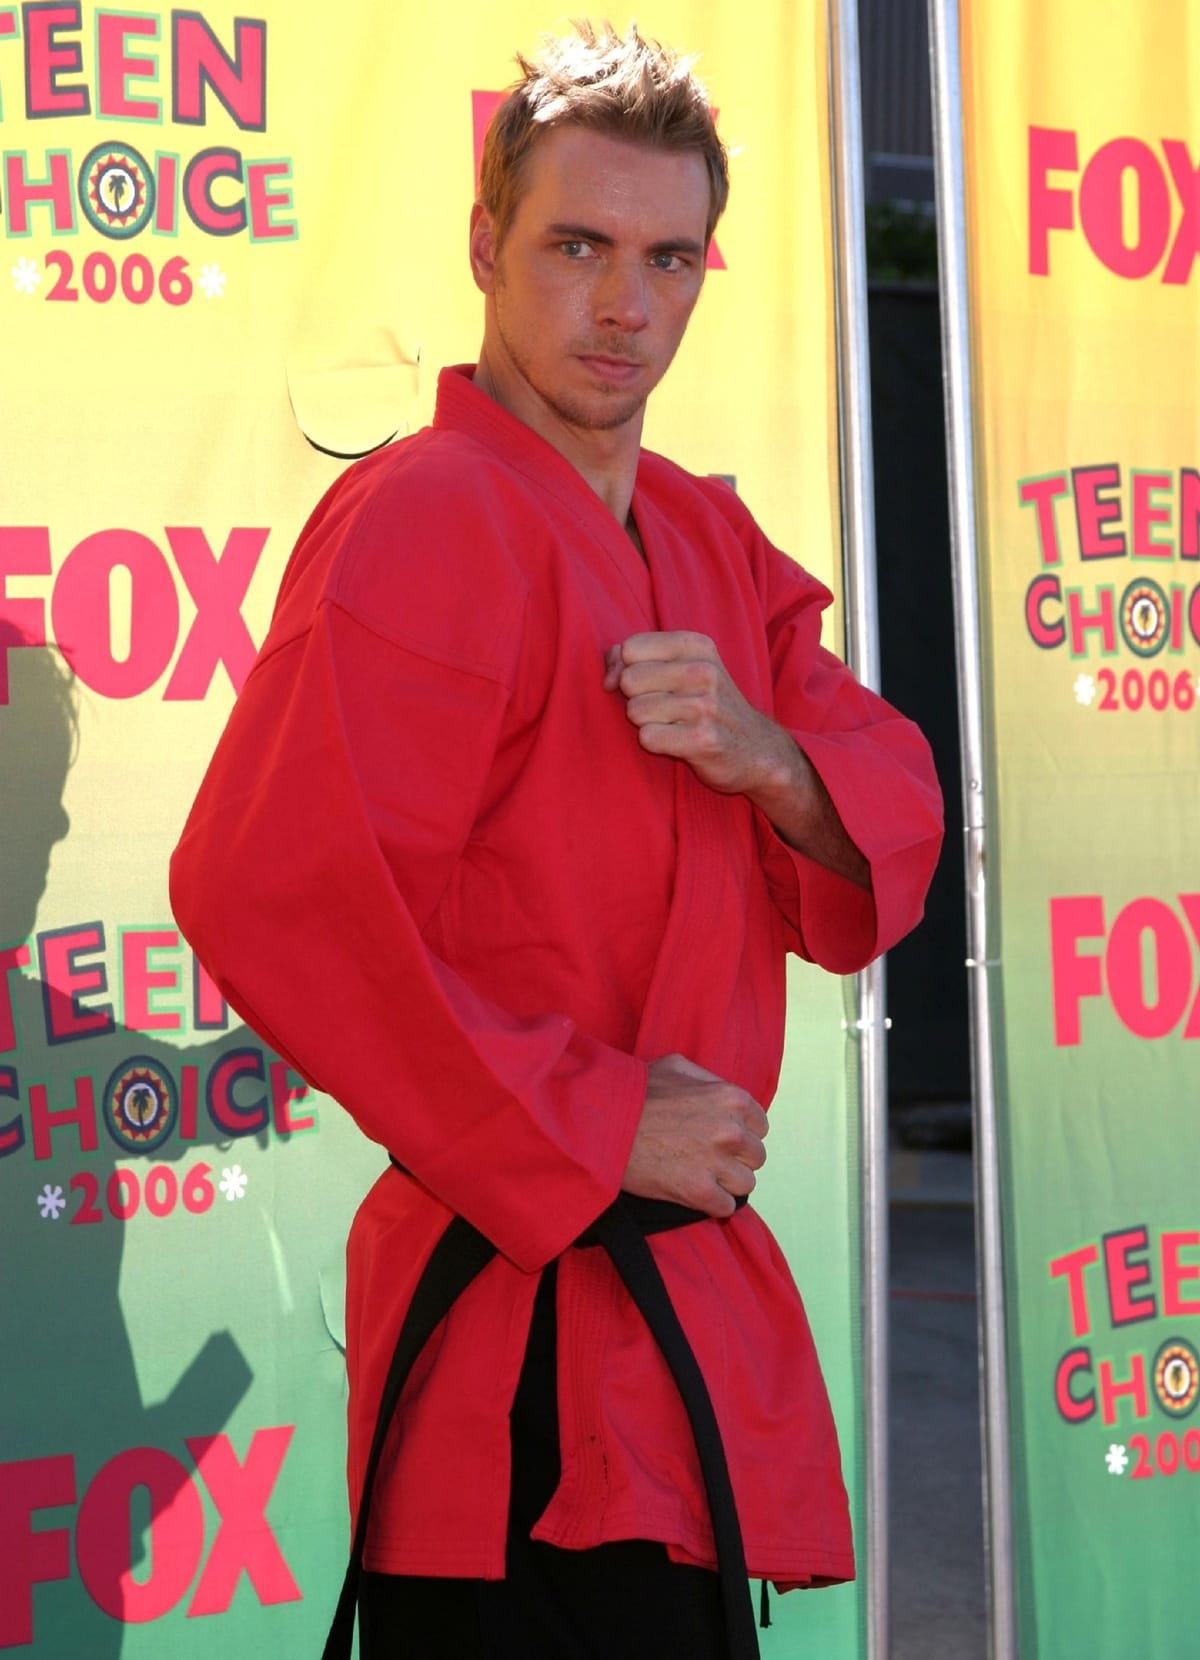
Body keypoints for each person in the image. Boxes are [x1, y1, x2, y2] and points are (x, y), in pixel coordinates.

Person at [170, 20, 943, 1658]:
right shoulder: (432, 512)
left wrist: (769, 756)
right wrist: (596, 1124)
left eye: (669, 258)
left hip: (669, 1371)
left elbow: (883, 797)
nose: (624, 303)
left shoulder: (704, 533)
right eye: (576, 246)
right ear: (484, 246)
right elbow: (269, 889)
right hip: (517, 1360)